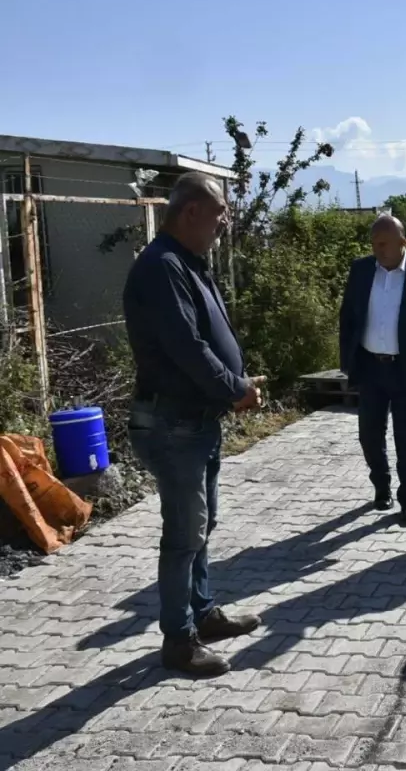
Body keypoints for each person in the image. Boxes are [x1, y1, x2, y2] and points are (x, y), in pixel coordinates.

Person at [123, 171, 265, 676]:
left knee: (201, 527)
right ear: (189, 213)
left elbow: (205, 339)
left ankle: (202, 615)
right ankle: (179, 642)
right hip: (173, 422)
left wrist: (234, 385)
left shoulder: (185, 263)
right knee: (184, 534)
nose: (226, 220)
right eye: (220, 211)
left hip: (196, 421)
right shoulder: (162, 266)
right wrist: (235, 388)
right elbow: (188, 347)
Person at [339, 214, 406, 525]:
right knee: (369, 434)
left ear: (403, 242)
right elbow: (347, 318)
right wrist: (348, 363)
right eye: (374, 244)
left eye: (384, 244)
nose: (378, 249)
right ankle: (381, 486)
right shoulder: (361, 271)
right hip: (371, 367)